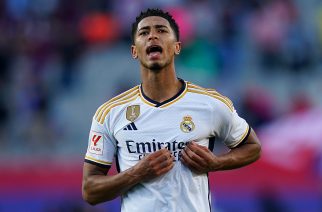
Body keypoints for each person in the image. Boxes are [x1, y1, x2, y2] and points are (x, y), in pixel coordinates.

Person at [82, 8, 261, 212]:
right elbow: (90, 191)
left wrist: (217, 163)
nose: (152, 36)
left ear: (177, 47)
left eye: (161, 30)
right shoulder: (110, 112)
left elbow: (252, 147)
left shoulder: (210, 104)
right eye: (144, 32)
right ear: (134, 51)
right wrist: (137, 173)